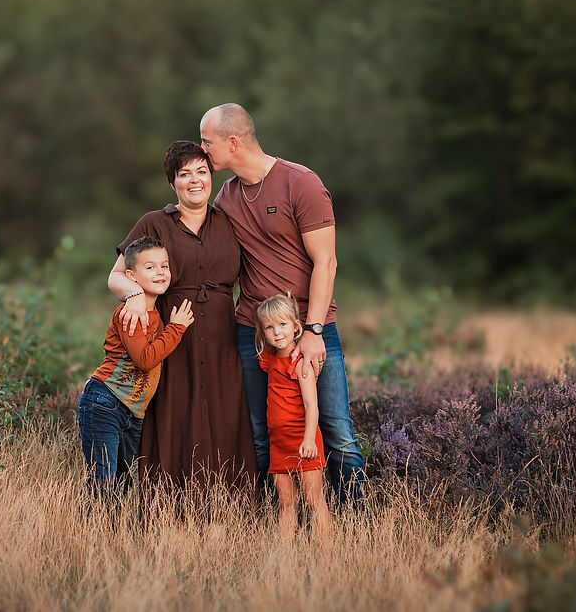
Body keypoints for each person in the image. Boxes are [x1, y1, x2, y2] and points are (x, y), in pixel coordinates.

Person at [200, 102, 367, 507]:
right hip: (252, 332)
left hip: (308, 328)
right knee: (262, 430)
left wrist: (311, 332)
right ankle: (276, 522)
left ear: (233, 141)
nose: (203, 151)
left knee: (336, 428)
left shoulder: (301, 183)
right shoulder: (227, 196)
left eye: (207, 143)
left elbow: (326, 261)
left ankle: (356, 525)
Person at [109, 141, 258, 502]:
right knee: (175, 414)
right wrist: (133, 297)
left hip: (223, 334)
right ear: (173, 182)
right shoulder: (155, 222)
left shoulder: (231, 221)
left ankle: (229, 510)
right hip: (171, 336)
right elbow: (116, 276)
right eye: (184, 174)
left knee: (225, 416)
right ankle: (169, 508)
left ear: (212, 176)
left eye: (201, 172)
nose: (195, 181)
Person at [79, 236, 194, 495]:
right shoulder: (130, 314)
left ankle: (110, 534)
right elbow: (145, 360)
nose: (160, 272)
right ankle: (89, 534)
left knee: (121, 483)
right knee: (103, 480)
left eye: (164, 266)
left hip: (133, 413)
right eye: (150, 267)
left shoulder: (155, 316)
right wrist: (177, 329)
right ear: (131, 276)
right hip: (105, 403)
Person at [255, 293, 332, 539]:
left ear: (296, 326)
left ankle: (327, 554)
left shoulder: (300, 363)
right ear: (262, 332)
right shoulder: (269, 360)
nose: (277, 332)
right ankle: (285, 556)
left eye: (283, 324)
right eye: (269, 327)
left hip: (303, 440)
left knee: (313, 500)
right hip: (279, 443)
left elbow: (312, 406)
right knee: (286, 503)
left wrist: (309, 439)